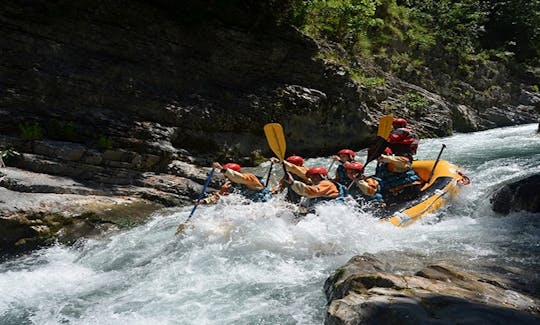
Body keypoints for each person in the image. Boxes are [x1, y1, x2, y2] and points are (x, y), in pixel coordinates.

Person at [200, 162, 271, 204]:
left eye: (227, 176)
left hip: (266, 204)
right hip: (252, 207)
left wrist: (221, 169)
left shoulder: (250, 178)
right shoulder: (228, 185)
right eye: (225, 176)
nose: (227, 178)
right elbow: (218, 196)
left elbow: (238, 177)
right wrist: (204, 201)